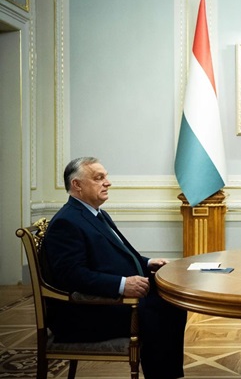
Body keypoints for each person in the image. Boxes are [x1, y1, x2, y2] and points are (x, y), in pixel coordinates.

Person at [43, 157, 187, 379]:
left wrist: (148, 263)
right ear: (77, 185)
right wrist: (122, 285)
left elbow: (117, 255)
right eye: (98, 178)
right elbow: (72, 275)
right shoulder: (67, 222)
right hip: (82, 314)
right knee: (164, 309)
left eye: (106, 177)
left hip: (105, 302)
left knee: (172, 301)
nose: (107, 182)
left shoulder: (95, 213)